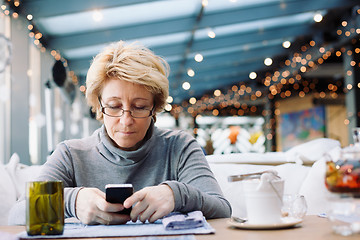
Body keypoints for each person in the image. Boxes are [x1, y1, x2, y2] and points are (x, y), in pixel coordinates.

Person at [9, 40, 231, 225]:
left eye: (140, 107)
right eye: (114, 106)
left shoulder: (179, 146)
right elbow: (16, 215)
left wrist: (175, 195)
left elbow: (222, 209)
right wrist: (73, 202)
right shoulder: (71, 154)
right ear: (99, 106)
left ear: (155, 108)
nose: (126, 121)